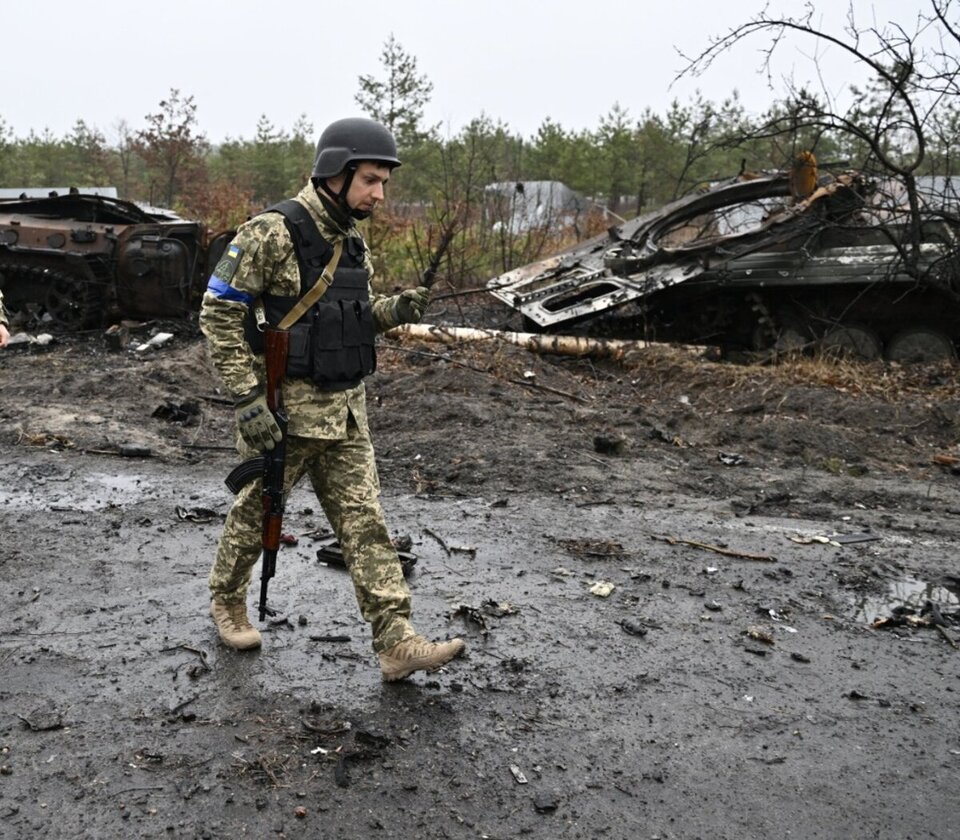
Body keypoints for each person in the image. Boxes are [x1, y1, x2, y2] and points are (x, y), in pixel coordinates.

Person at [199, 117, 465, 682]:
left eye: (384, 183)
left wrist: (394, 311)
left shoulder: (351, 239)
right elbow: (219, 311)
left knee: (367, 525)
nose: (380, 194)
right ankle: (227, 601)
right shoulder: (271, 232)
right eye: (371, 180)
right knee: (256, 516)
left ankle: (397, 640)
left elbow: (351, 318)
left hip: (346, 411)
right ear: (336, 173)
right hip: (283, 414)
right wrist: (247, 398)